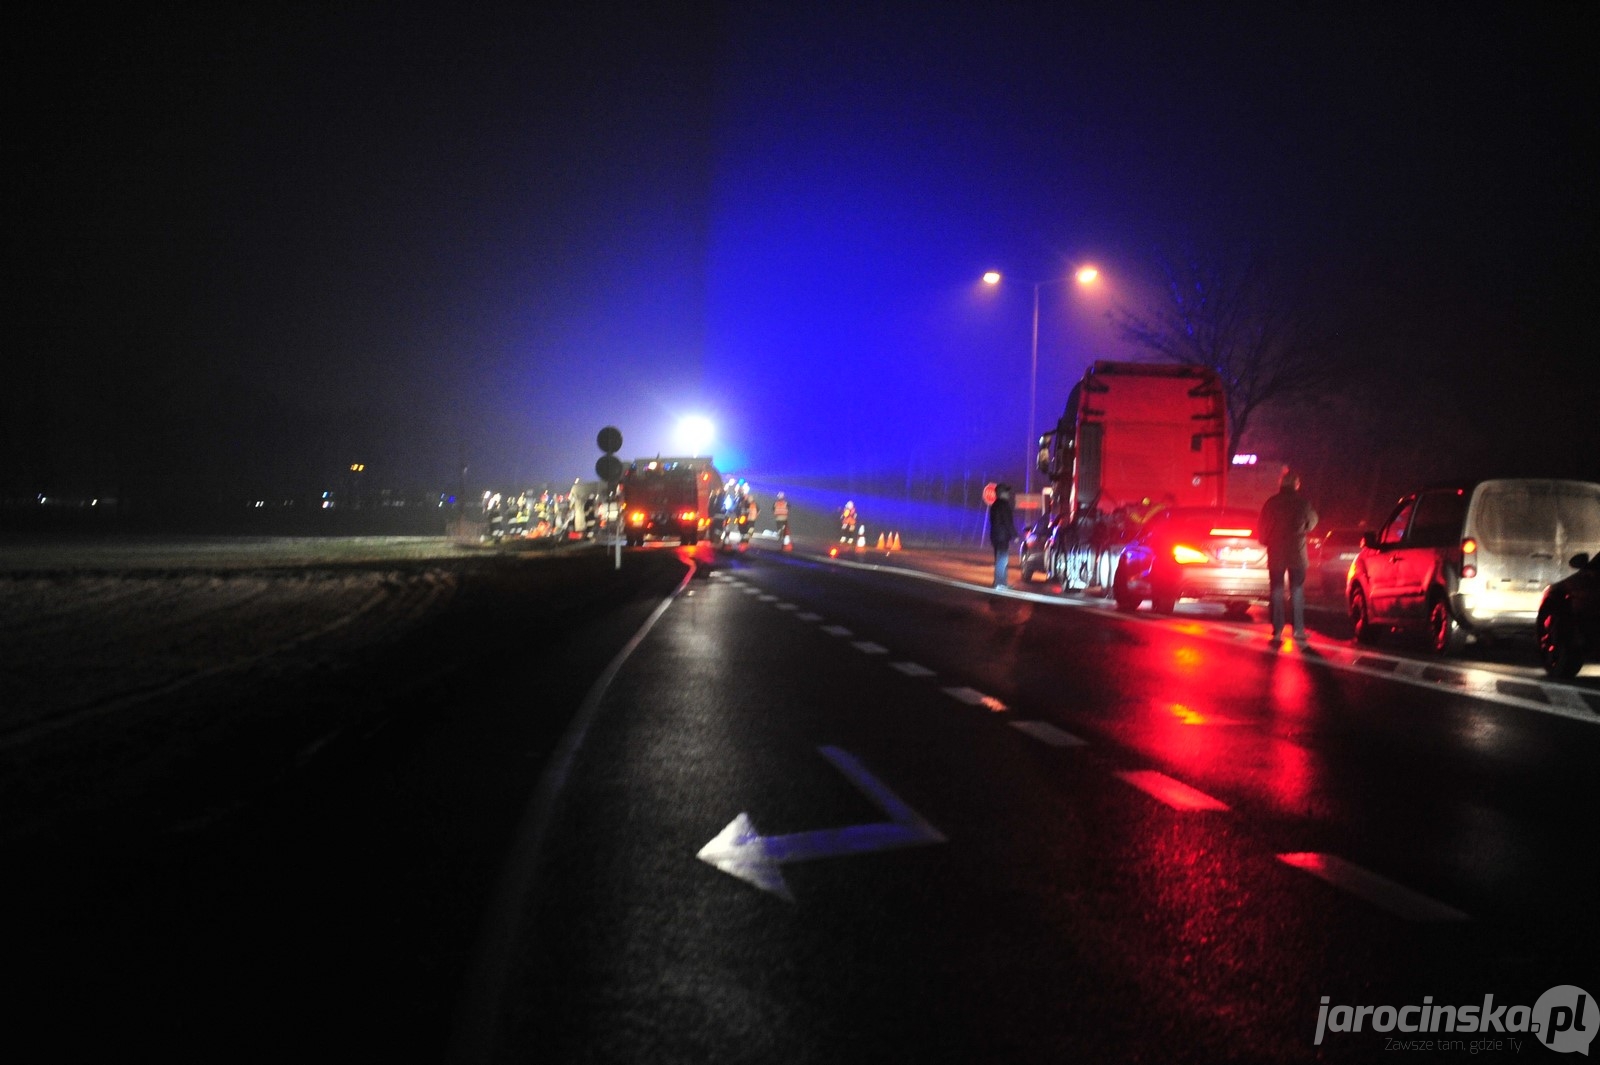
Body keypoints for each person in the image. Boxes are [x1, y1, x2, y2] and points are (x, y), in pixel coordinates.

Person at [1258, 470, 1319, 642]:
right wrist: (1302, 530)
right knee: (1297, 590)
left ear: (1281, 484)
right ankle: (1298, 630)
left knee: (1276, 590)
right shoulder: (1303, 504)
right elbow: (1313, 522)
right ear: (1296, 485)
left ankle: (1277, 630)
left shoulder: (1271, 504)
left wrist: (1267, 541)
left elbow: (1262, 529)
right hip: (1297, 554)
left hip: (1276, 553)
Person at [988, 483, 1019, 589]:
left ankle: (1001, 582)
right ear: (1002, 493)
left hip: (995, 535)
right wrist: (1014, 535)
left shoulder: (994, 505)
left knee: (999, 559)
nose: (1008, 494)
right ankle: (999, 583)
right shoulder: (1004, 505)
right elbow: (1007, 521)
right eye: (1006, 491)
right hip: (1002, 536)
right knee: (1002, 560)